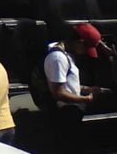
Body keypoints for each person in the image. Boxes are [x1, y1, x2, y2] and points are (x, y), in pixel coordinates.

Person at [44, 22, 109, 152]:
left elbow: (67, 83)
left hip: (72, 111)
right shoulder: (58, 58)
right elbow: (59, 93)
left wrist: (87, 89)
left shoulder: (67, 54)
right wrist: (86, 99)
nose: (85, 52)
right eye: (86, 48)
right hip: (66, 113)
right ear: (79, 42)